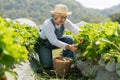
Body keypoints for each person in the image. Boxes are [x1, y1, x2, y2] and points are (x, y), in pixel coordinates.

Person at [38, 4, 82, 69]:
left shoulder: (65, 22)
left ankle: (67, 61)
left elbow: (75, 29)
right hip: (46, 45)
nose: (63, 19)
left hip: (57, 42)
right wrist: (68, 47)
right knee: (47, 65)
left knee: (69, 39)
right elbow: (53, 41)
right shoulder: (48, 24)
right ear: (55, 16)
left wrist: (83, 35)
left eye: (65, 17)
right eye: (61, 17)